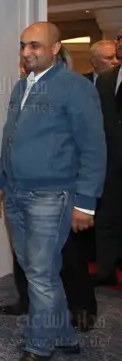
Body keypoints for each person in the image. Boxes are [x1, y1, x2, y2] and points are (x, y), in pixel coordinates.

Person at [0, 21, 105, 360]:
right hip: (16, 193)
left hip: (51, 196)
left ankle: (38, 346)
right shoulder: (21, 86)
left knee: (40, 273)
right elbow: (10, 139)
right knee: (37, 271)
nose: (27, 52)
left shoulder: (75, 87)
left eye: (35, 45)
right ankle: (64, 336)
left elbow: (93, 147)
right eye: (23, 45)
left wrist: (86, 202)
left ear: (56, 48)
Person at [93, 48, 122, 287]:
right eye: (119, 38)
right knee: (106, 217)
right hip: (109, 160)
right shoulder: (105, 80)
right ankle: (106, 270)